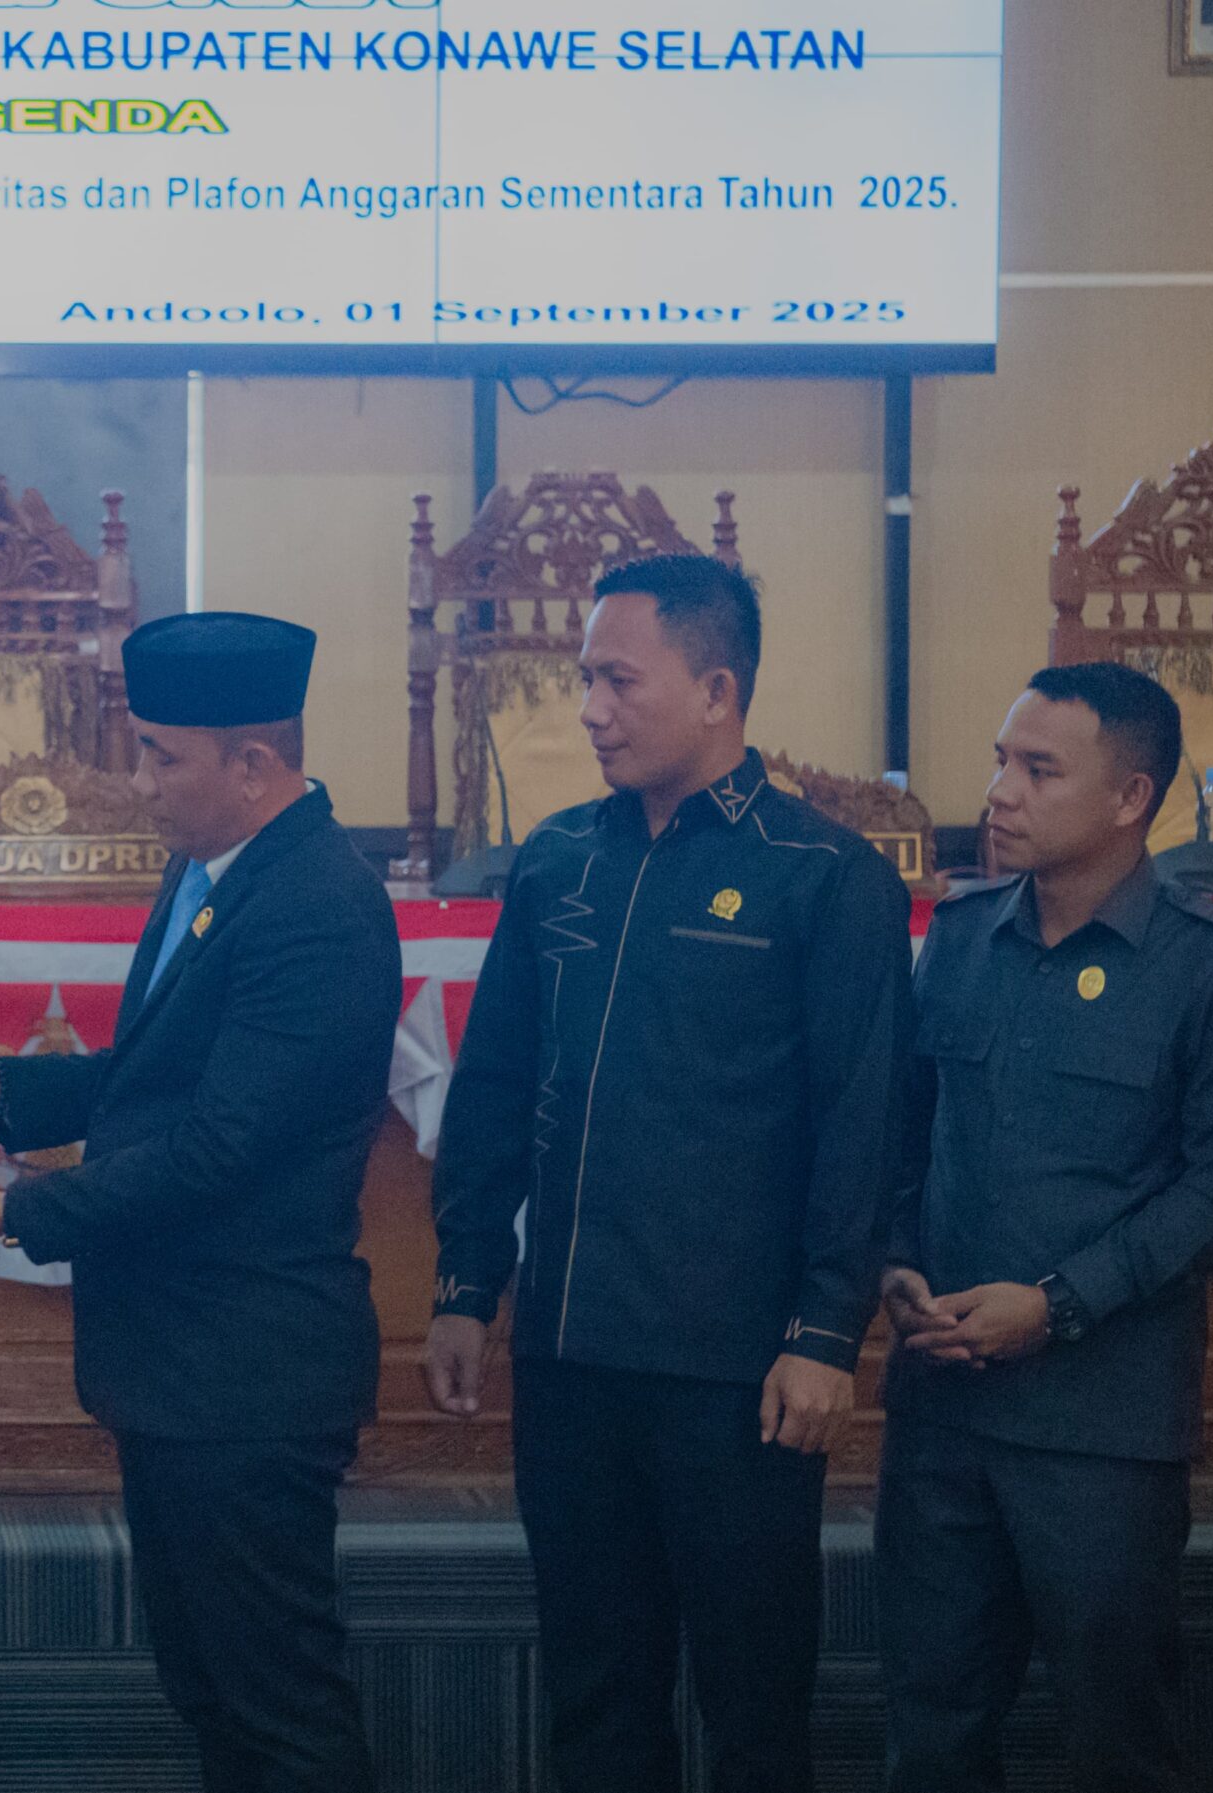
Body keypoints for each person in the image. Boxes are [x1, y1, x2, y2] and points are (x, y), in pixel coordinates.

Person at [0, 611, 401, 1793]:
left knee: (278, 1711)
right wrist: (4, 1086)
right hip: (181, 1365)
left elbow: (223, 1145)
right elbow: (161, 1075)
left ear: (252, 764)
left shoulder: (315, 902)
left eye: (162, 756)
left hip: (247, 1371)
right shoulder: (215, 869)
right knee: (211, 1690)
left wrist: (8, 1214)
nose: (140, 780)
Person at [426, 553, 913, 1793]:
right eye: (583, 678)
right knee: (595, 1695)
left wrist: (824, 1330)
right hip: (569, 1353)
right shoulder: (554, 859)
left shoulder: (824, 874)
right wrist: (465, 1280)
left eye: (617, 679)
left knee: (753, 1705)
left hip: (738, 1369)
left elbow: (861, 1122)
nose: (588, 708)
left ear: (716, 689)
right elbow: (492, 1086)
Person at [878, 664, 1213, 1793]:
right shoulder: (960, 935)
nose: (999, 790)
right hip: (942, 1414)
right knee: (931, 1733)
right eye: (1002, 759)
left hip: (1102, 1430)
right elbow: (903, 1133)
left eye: (1039, 769)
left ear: (1129, 797)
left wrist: (1055, 1305)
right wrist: (894, 1260)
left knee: (1118, 1740)